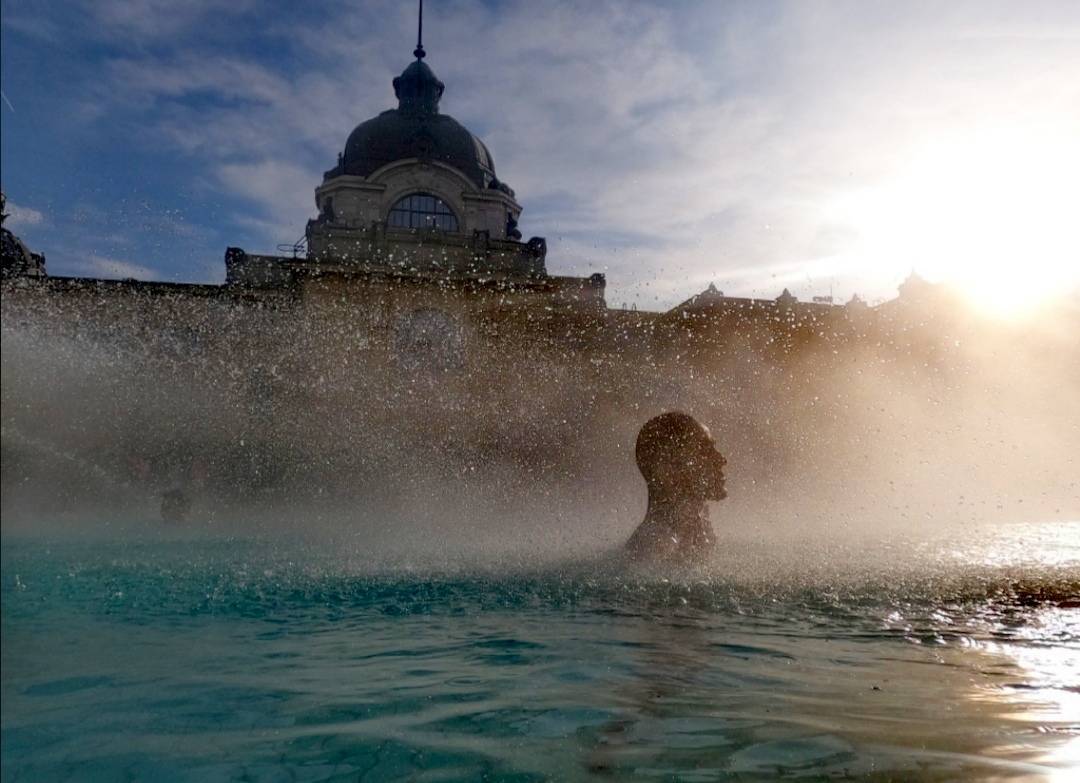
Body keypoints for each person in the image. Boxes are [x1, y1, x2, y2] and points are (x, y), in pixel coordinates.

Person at [625, 412, 727, 563]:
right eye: (705, 450)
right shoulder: (656, 549)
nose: (721, 460)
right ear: (668, 469)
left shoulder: (691, 531)